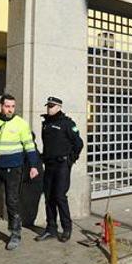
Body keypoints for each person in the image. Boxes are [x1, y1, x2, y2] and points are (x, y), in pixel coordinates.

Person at [0, 94, 40, 250]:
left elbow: (29, 145)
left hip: (13, 168)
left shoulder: (21, 124)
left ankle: (15, 233)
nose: (10, 109)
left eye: (13, 107)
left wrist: (34, 165)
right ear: (1, 106)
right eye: (7, 106)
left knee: (12, 201)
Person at [35, 96, 84, 243]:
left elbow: (78, 143)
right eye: (48, 106)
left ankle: (66, 228)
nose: (49, 108)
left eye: (52, 106)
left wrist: (71, 159)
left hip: (62, 165)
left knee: (59, 196)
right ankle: (51, 229)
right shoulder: (46, 123)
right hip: (49, 165)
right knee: (49, 197)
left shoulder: (67, 124)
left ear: (59, 107)